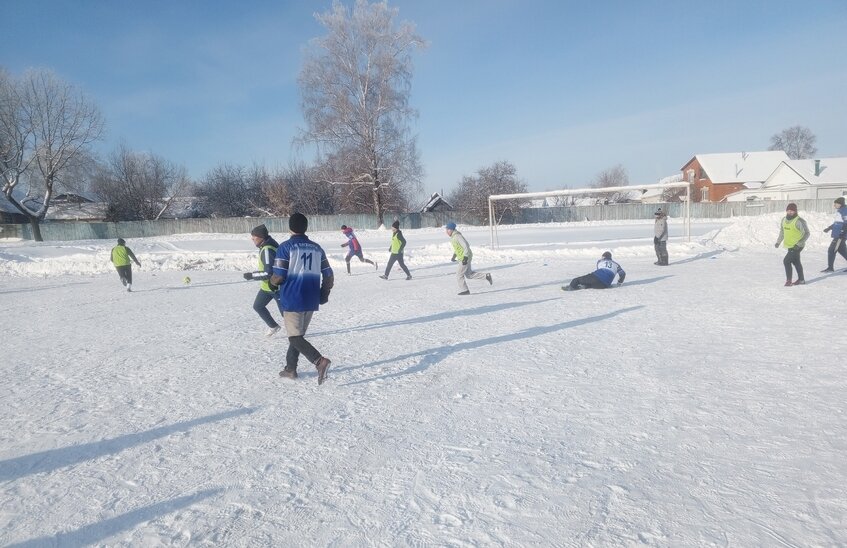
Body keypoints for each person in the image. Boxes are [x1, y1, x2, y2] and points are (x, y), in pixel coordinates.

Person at [271, 213, 334, 384]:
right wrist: (324, 293)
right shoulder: (317, 248)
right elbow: (328, 275)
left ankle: (319, 361)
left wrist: (271, 283)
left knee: (294, 337)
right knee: (297, 335)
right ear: (306, 227)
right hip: (311, 298)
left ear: (290, 228)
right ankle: (291, 369)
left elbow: (279, 276)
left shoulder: (285, 247)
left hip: (293, 297)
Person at [242, 224, 282, 336]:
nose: (252, 239)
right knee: (258, 306)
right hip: (266, 287)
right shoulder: (265, 247)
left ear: (261, 237)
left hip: (276, 287)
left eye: (254, 237)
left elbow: (268, 273)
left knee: (286, 314)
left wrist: (252, 276)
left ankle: (296, 334)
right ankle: (273, 326)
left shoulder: (267, 249)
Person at [445, 222, 492, 295]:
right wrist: (454, 255)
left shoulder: (457, 236)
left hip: (465, 257)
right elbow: (458, 248)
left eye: (448, 230)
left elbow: (466, 246)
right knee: (469, 275)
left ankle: (465, 290)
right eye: (446, 229)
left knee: (459, 274)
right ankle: (486, 276)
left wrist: (465, 257)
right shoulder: (454, 237)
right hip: (464, 257)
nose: (446, 231)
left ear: (451, 230)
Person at [774, 203, 809, 286]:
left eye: (792, 211)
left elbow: (807, 233)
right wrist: (778, 242)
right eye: (788, 210)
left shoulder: (799, 221)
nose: (790, 212)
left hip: (797, 246)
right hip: (789, 245)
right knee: (796, 262)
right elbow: (782, 231)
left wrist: (799, 244)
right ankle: (801, 280)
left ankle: (788, 281)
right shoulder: (784, 220)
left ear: (795, 211)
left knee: (786, 261)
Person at [821, 196, 847, 272]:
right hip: (838, 234)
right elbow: (837, 223)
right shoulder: (840, 210)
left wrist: (842, 233)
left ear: (840, 204)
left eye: (836, 203)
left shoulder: (845, 211)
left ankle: (830, 268)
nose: (834, 205)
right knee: (842, 250)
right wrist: (829, 228)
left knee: (831, 250)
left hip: (840, 235)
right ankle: (830, 267)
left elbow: (846, 223)